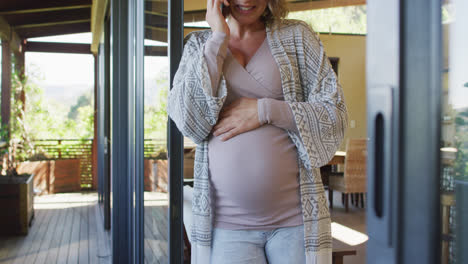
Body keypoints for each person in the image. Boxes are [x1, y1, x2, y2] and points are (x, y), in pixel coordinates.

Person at [167, 0, 348, 263]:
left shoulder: (297, 37)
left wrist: (264, 111)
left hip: (295, 222)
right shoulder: (197, 44)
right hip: (226, 226)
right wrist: (217, 39)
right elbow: (189, 121)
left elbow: (334, 114)